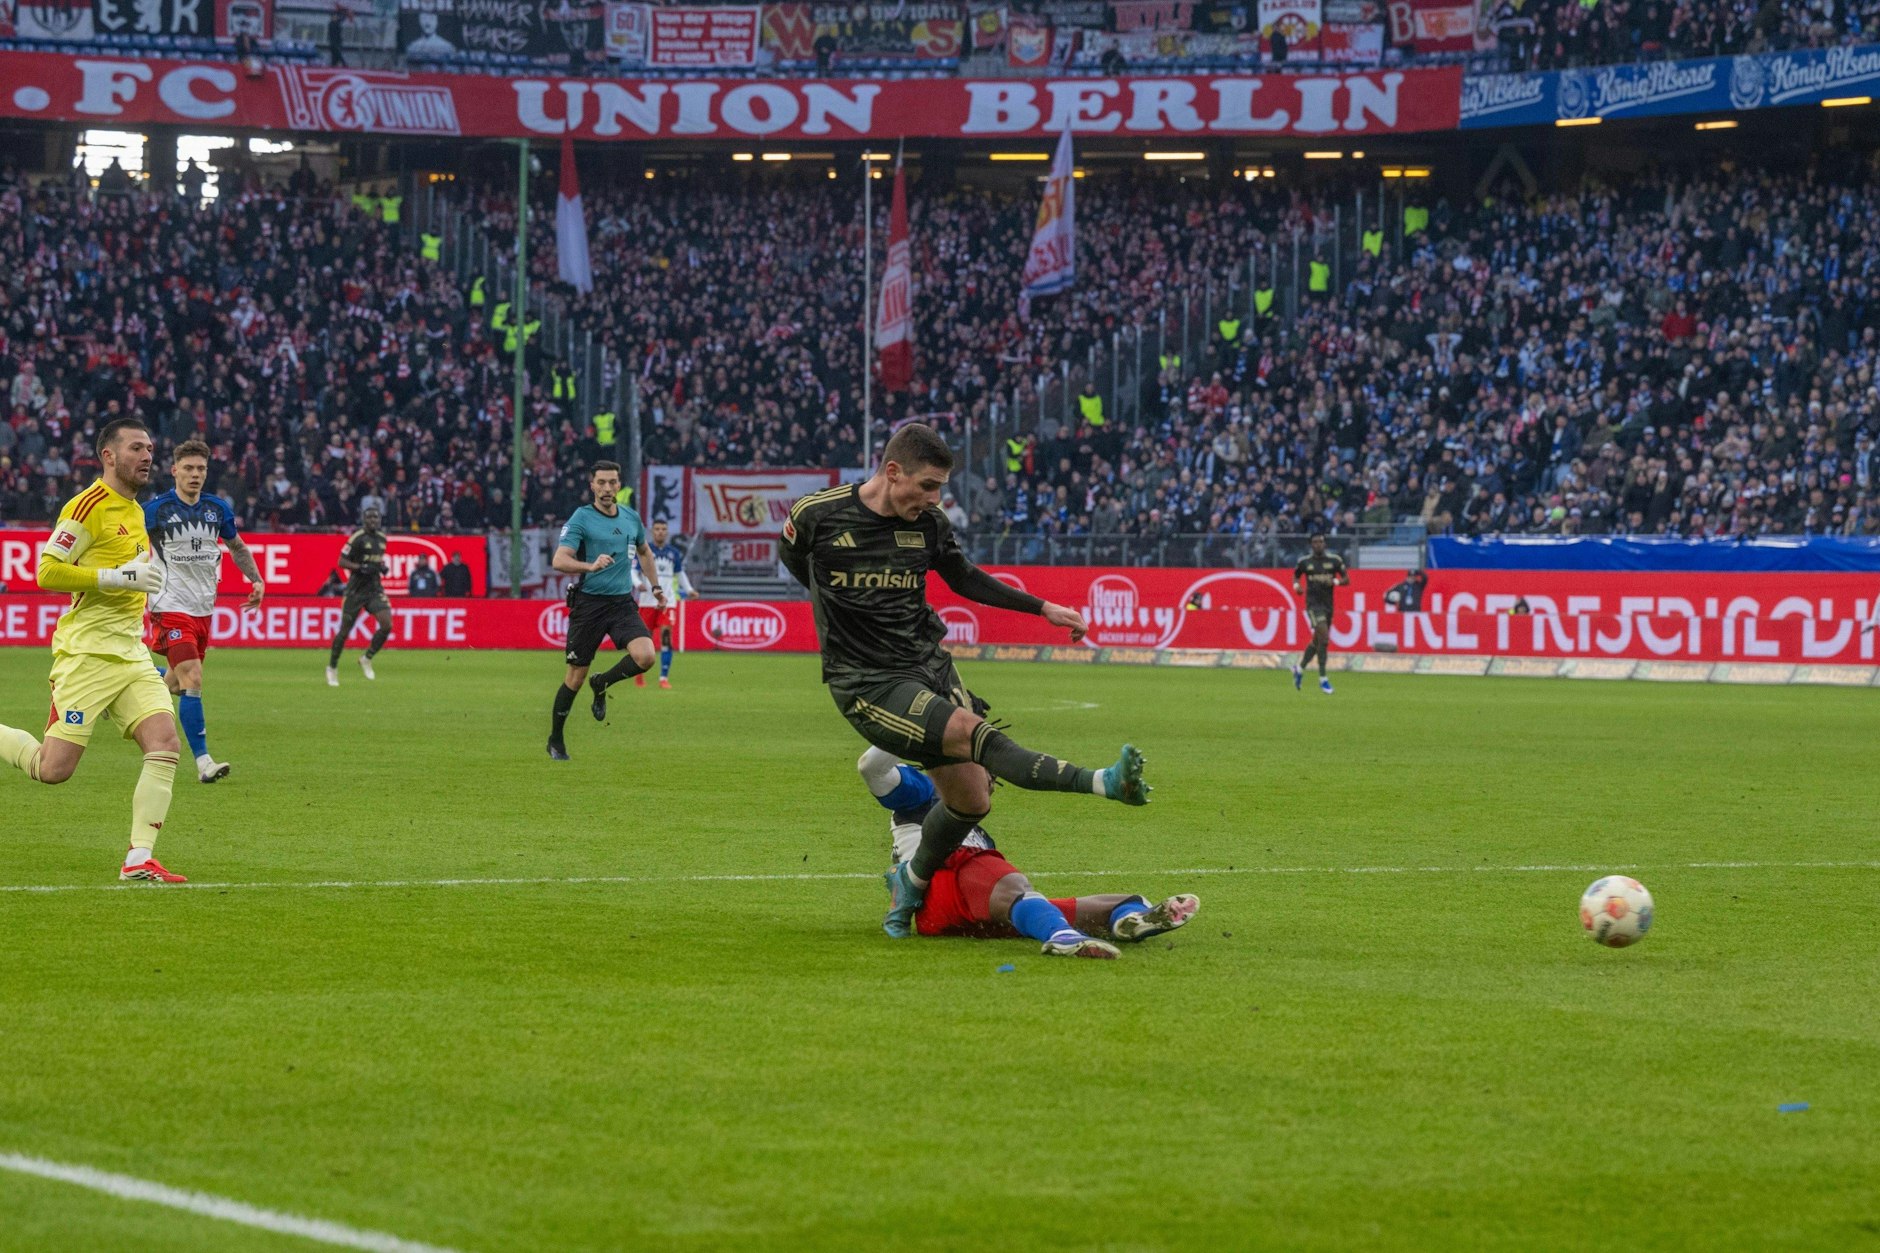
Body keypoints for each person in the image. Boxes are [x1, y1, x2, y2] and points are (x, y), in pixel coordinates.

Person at [779, 422, 1151, 940]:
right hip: (867, 680)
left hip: (929, 664)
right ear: (892, 472)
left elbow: (964, 577)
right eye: (927, 486)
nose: (934, 498)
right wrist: (845, 621)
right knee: (973, 734)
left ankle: (909, 881)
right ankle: (1103, 782)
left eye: (940, 489)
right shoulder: (816, 515)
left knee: (973, 801)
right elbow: (796, 561)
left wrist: (1042, 607)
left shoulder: (929, 524)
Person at [0, 418, 188, 883]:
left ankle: (138, 859)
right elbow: (46, 572)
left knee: (165, 743)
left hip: (131, 652)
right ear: (108, 455)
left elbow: (133, 573)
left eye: (150, 448)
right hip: (87, 655)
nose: (147, 457)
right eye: (136, 448)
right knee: (53, 770)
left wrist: (148, 582)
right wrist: (117, 577)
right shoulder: (87, 507)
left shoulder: (136, 510)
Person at [858, 747, 1199, 958]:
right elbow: (870, 767)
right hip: (943, 883)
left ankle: (1127, 918)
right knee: (1016, 888)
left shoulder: (975, 826)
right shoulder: (925, 788)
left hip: (953, 915)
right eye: (987, 770)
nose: (991, 781)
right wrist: (910, 729)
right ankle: (1061, 938)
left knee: (1053, 906)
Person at [144, 439, 266, 784]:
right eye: (189, 468)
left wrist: (256, 579)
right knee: (192, 679)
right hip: (169, 606)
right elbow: (127, 542)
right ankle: (203, 762)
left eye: (201, 469)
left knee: (173, 681)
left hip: (202, 610)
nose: (195, 475)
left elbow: (237, 546)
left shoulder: (217, 509)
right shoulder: (155, 511)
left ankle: (125, 682)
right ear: (174, 471)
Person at [547, 461, 666, 760]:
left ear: (619, 484)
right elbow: (559, 560)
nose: (607, 488)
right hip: (589, 604)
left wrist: (656, 587)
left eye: (613, 482)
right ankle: (556, 739)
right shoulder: (581, 518)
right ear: (592, 485)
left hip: (621, 603)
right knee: (574, 677)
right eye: (601, 482)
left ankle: (602, 682)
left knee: (646, 656)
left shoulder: (630, 517)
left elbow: (645, 552)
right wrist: (590, 565)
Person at [325, 507, 393, 686]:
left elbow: (376, 561)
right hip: (355, 591)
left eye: (376, 517)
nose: (373, 520)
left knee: (387, 624)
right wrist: (359, 568)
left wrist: (381, 567)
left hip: (374, 589)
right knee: (344, 632)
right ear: (364, 519)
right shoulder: (357, 538)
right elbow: (341, 561)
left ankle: (367, 658)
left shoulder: (382, 539)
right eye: (369, 517)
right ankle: (332, 667)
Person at [634, 520, 695, 689]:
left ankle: (663, 678)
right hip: (647, 602)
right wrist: (637, 583)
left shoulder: (673, 553)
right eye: (657, 529)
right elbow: (633, 570)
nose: (660, 532)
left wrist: (689, 590)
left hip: (668, 602)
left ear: (667, 532)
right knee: (644, 641)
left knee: (666, 639)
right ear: (652, 532)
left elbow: (680, 573)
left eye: (663, 529)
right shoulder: (645, 551)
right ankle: (638, 675)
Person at [1291, 530, 1348, 695]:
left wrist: (1335, 581)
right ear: (1311, 545)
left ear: (1325, 544)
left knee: (1317, 641)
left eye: (1320, 541)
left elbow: (1346, 579)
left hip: (1328, 605)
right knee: (1324, 637)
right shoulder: (1304, 562)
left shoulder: (1334, 561)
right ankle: (1323, 678)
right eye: (1315, 542)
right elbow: (1296, 576)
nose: (1318, 544)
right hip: (1313, 605)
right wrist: (1297, 587)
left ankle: (1299, 669)